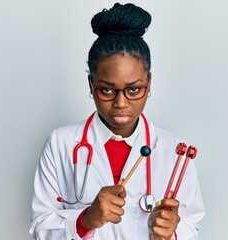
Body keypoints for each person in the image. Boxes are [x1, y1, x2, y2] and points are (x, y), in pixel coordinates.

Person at [29, 3, 205, 240]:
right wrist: (85, 220)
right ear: (91, 85)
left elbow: (191, 227)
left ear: (149, 83)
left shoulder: (177, 152)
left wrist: (172, 233)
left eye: (133, 90)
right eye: (107, 91)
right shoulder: (61, 143)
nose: (121, 103)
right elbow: (40, 228)